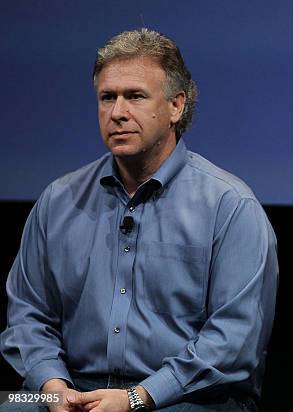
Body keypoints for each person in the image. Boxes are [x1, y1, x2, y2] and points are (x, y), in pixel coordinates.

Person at [0, 28, 278, 412]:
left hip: (186, 395)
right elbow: (28, 313)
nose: (117, 112)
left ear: (176, 106)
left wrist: (137, 397)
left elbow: (234, 339)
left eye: (135, 96)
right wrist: (52, 384)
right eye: (107, 98)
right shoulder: (57, 200)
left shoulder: (230, 206)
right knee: (11, 405)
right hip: (72, 388)